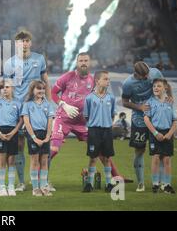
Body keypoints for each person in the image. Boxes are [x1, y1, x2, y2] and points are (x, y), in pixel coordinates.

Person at [50, 52, 130, 190]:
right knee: (54, 149)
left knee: (102, 151)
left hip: (84, 123)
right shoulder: (67, 77)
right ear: (77, 62)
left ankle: (117, 177)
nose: (83, 63)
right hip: (63, 119)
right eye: (81, 60)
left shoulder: (94, 80)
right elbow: (52, 93)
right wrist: (64, 105)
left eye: (86, 60)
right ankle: (39, 179)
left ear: (90, 62)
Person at [4, 30, 50, 192]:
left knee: (43, 143)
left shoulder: (39, 59)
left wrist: (49, 103)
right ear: (15, 44)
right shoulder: (9, 63)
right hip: (17, 109)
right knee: (19, 145)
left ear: (30, 43)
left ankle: (44, 182)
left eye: (26, 41)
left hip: (36, 107)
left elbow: (46, 82)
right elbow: (7, 87)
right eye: (20, 41)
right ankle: (22, 182)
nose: (24, 44)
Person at [122, 61, 170, 192]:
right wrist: (139, 107)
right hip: (139, 120)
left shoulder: (155, 73)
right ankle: (141, 183)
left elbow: (166, 85)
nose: (148, 78)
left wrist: (169, 97)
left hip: (157, 118)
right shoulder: (128, 84)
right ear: (136, 74)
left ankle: (159, 182)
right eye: (144, 76)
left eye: (148, 74)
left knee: (160, 152)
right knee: (139, 151)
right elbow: (125, 102)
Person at [82, 71, 116, 193]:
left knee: (107, 158)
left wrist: (107, 123)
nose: (108, 81)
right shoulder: (89, 98)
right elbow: (86, 116)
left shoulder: (111, 97)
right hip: (94, 131)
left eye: (108, 79)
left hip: (107, 130)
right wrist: (94, 124)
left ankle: (108, 184)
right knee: (93, 158)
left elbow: (112, 115)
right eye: (106, 79)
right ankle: (89, 184)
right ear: (97, 81)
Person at [143, 79, 177, 194]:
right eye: (154, 86)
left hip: (167, 133)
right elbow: (146, 119)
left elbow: (174, 121)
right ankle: (155, 184)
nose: (156, 88)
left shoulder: (169, 102)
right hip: (155, 133)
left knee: (167, 159)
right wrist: (156, 133)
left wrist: (169, 134)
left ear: (165, 88)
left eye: (159, 86)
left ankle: (167, 185)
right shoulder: (150, 102)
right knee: (156, 157)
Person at [0, 78, 22, 197]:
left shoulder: (18, 103)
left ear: (12, 88)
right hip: (0, 132)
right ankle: (2, 186)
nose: (5, 89)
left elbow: (21, 120)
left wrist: (14, 132)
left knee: (11, 160)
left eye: (7, 87)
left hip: (13, 132)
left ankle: (11, 186)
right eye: (2, 87)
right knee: (2, 160)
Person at [21, 80, 54, 197]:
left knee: (44, 161)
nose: (41, 91)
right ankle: (35, 188)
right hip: (33, 135)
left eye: (43, 89)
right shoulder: (27, 105)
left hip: (45, 135)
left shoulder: (48, 104)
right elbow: (26, 122)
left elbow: (50, 121)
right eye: (38, 88)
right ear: (32, 90)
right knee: (34, 161)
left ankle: (44, 187)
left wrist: (47, 136)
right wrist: (34, 137)